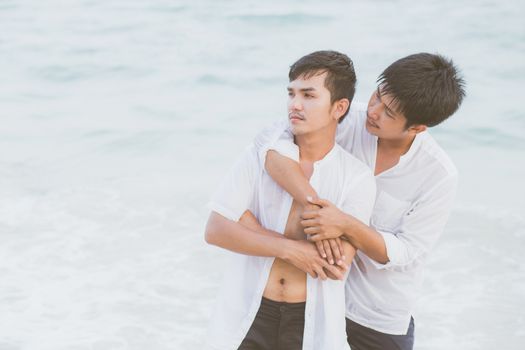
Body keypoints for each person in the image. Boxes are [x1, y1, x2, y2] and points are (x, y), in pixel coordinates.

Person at [255, 52, 466, 349]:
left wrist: (344, 224)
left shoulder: (438, 174)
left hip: (377, 314)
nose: (374, 111)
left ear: (417, 128)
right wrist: (313, 203)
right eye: (378, 95)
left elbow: (406, 251)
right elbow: (270, 144)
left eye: (389, 112)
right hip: (316, 297)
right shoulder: (345, 118)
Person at [204, 50, 376, 350]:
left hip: (309, 322)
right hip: (249, 311)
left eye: (309, 95)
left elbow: (335, 265)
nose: (294, 105)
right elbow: (216, 230)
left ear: (339, 107)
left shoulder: (356, 178)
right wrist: (292, 249)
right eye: (291, 93)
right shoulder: (259, 155)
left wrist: (248, 225)